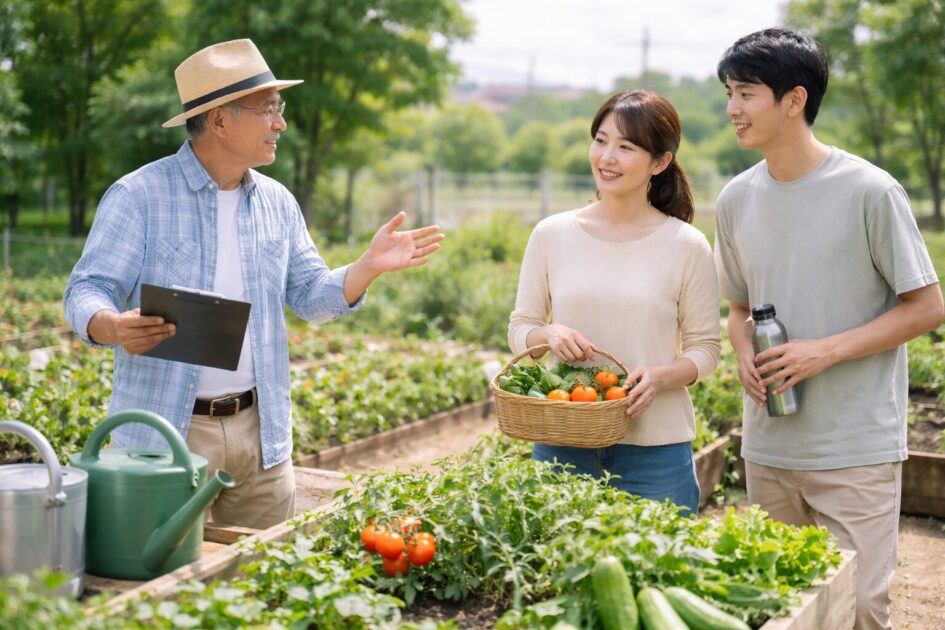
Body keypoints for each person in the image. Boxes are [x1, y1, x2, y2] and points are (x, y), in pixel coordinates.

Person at [63, 39, 443, 529]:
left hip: (260, 436)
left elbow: (310, 295)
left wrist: (367, 266)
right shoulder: (139, 196)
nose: (280, 124)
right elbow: (86, 288)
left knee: (262, 571)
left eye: (278, 109)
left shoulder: (277, 203)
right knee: (161, 569)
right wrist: (112, 325)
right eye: (268, 109)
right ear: (219, 120)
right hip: (166, 436)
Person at [714, 28, 944, 630]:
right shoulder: (736, 199)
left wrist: (825, 352)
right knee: (779, 606)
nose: (732, 108)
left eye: (745, 93)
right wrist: (742, 351)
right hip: (769, 444)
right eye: (729, 93)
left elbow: (927, 306)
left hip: (854, 445)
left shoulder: (870, 190)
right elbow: (738, 308)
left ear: (795, 99)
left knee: (861, 608)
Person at [508, 90, 721, 516]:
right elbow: (521, 329)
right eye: (601, 141)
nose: (607, 157)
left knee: (660, 559)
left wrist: (659, 377)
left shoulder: (687, 245)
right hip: (564, 441)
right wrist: (548, 334)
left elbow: (706, 350)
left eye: (626, 147)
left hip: (656, 454)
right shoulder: (551, 235)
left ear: (659, 162)